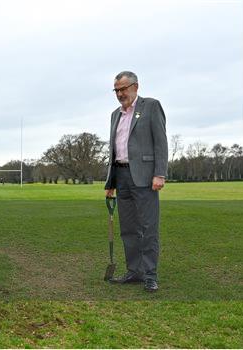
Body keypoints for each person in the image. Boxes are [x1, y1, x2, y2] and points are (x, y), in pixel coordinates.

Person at [104, 71, 168, 292]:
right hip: (121, 177)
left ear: (136, 86)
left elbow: (160, 142)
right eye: (117, 90)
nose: (120, 93)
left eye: (123, 88)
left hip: (144, 177)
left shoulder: (151, 106)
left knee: (149, 228)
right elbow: (113, 151)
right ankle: (135, 271)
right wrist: (110, 182)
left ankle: (150, 275)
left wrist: (160, 173)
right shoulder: (115, 115)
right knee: (128, 229)